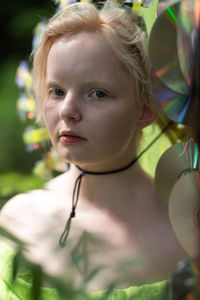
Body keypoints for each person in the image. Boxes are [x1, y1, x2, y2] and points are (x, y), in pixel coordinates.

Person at [0, 0, 187, 298]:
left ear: (145, 110)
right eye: (56, 91)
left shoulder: (184, 232)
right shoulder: (17, 221)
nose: (67, 111)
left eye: (98, 93)